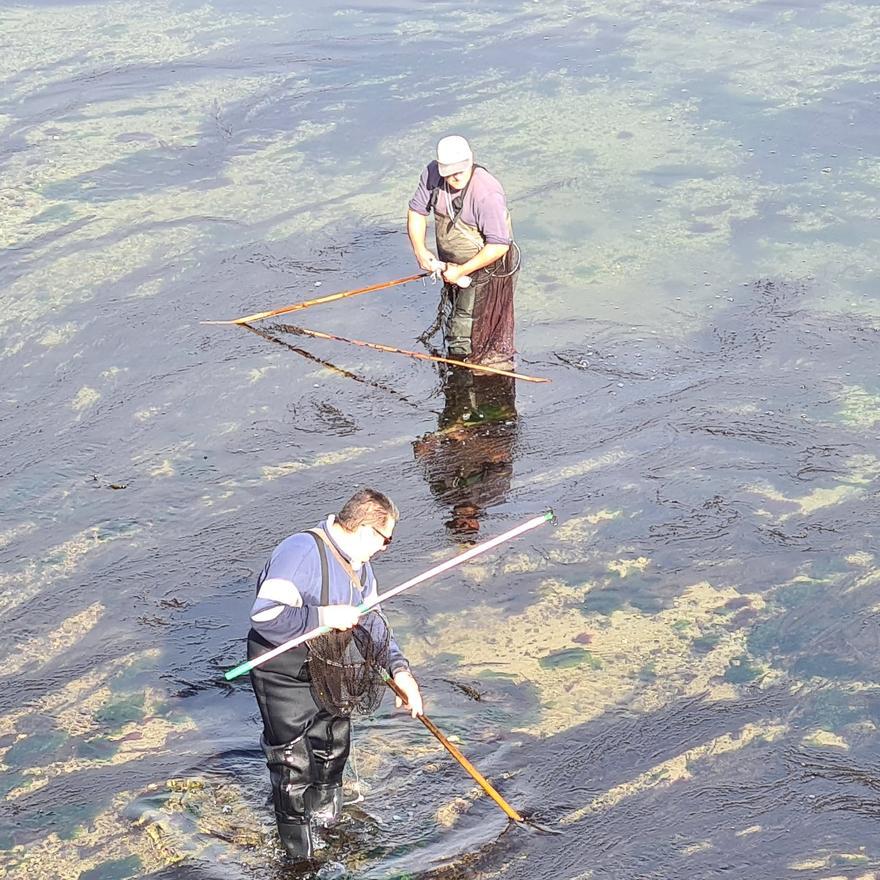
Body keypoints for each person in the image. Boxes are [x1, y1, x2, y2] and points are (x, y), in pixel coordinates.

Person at [246, 488, 423, 864]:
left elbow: (373, 623)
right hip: (282, 672)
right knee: (292, 764)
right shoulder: (300, 553)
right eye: (385, 539)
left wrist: (400, 671)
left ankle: (328, 824)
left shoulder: (360, 567)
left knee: (332, 746)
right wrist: (323, 617)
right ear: (364, 530)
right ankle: (302, 859)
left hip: (329, 668)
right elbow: (264, 617)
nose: (385, 548)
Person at [407, 135, 520, 370]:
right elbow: (417, 211)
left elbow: (499, 245)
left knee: (465, 328)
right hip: (452, 265)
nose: (456, 177)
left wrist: (462, 270)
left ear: (471, 161)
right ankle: (462, 370)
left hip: (487, 266)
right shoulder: (432, 174)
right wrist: (420, 251)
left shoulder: (486, 192)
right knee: (455, 316)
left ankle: (465, 378)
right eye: (449, 172)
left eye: (461, 170)